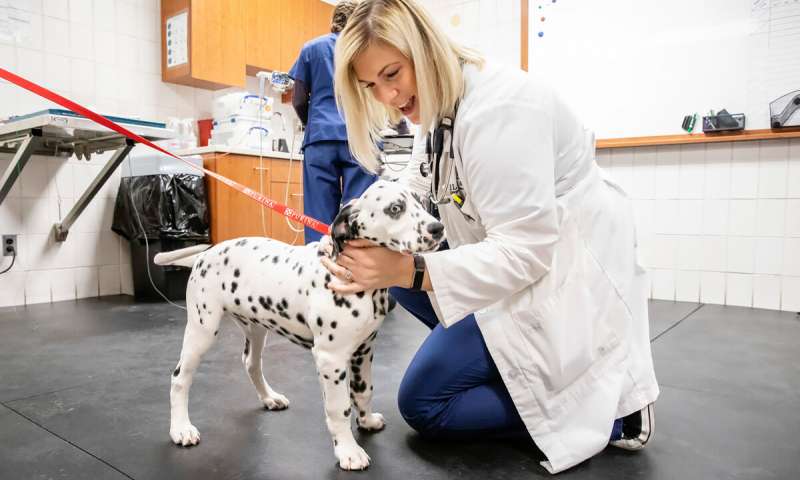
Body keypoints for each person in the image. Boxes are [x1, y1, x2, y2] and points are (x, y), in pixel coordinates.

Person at [321, 0, 660, 474]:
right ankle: (502, 366)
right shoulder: (441, 101)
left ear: (422, 45)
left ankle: (611, 415)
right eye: (371, 86)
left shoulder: (499, 111)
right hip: (515, 261)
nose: (387, 96)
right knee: (394, 276)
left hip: (560, 269)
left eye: (392, 73)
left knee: (425, 404)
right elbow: (419, 182)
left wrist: (411, 268)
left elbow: (525, 251)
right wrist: (362, 226)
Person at [289, 0, 377, 243]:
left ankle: (319, 272)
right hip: (359, 139)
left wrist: (314, 124)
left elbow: (297, 99)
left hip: (320, 140)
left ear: (333, 20)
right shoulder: (365, 49)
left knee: (318, 218)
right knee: (359, 212)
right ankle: (358, 274)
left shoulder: (311, 49)